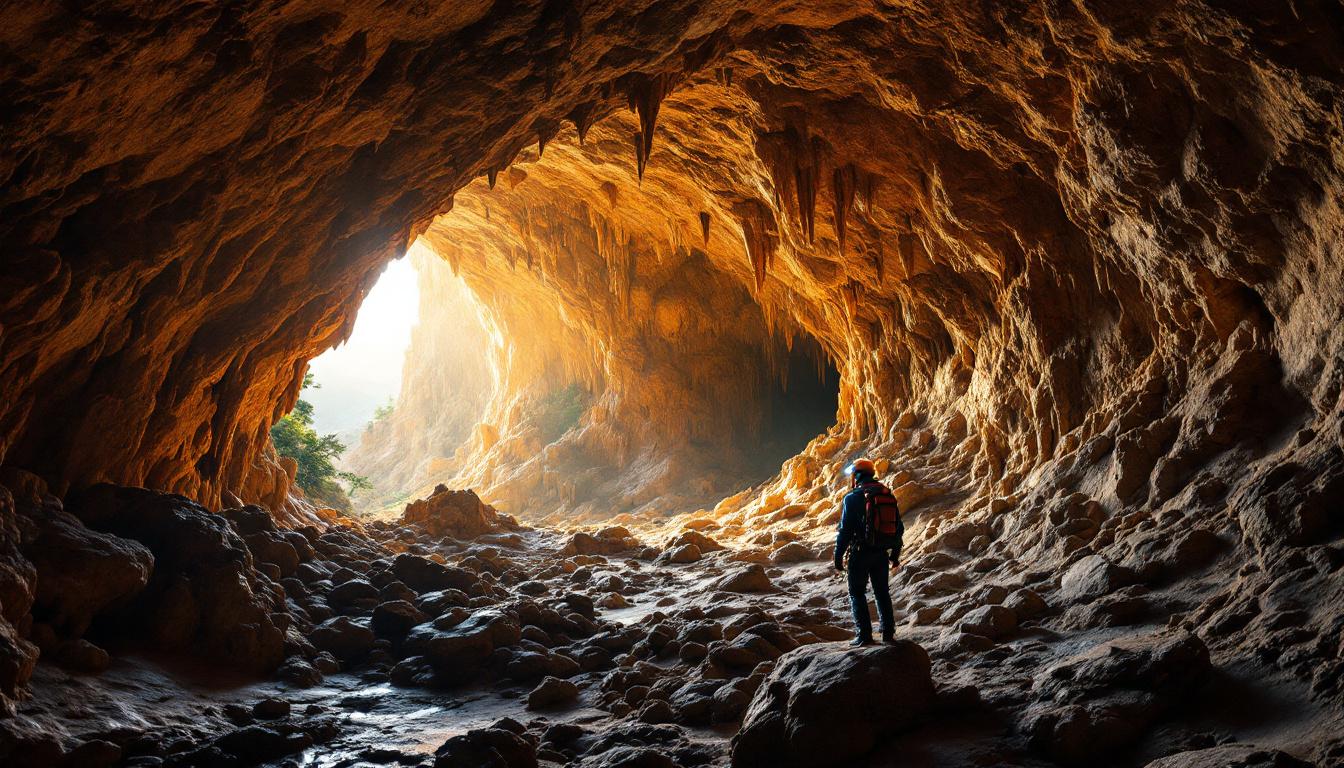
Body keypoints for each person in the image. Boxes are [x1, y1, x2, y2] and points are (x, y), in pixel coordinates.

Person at [833, 458, 904, 646]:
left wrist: (838, 556)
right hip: (881, 553)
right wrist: (894, 556)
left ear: (856, 476)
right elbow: (899, 528)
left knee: (857, 593)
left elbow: (845, 531)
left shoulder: (852, 497)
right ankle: (888, 633)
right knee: (882, 592)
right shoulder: (887, 495)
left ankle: (864, 635)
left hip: (860, 553)